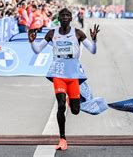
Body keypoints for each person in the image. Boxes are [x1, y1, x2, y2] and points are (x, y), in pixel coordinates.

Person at [28, 8, 100, 151]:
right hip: (58, 73)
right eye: (63, 15)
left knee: (75, 110)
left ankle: (72, 99)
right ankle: (62, 138)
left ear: (71, 18)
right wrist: (32, 42)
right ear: (59, 18)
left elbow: (92, 50)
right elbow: (37, 50)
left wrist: (94, 39)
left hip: (73, 75)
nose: (65, 17)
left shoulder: (78, 33)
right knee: (61, 105)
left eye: (68, 15)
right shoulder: (52, 33)